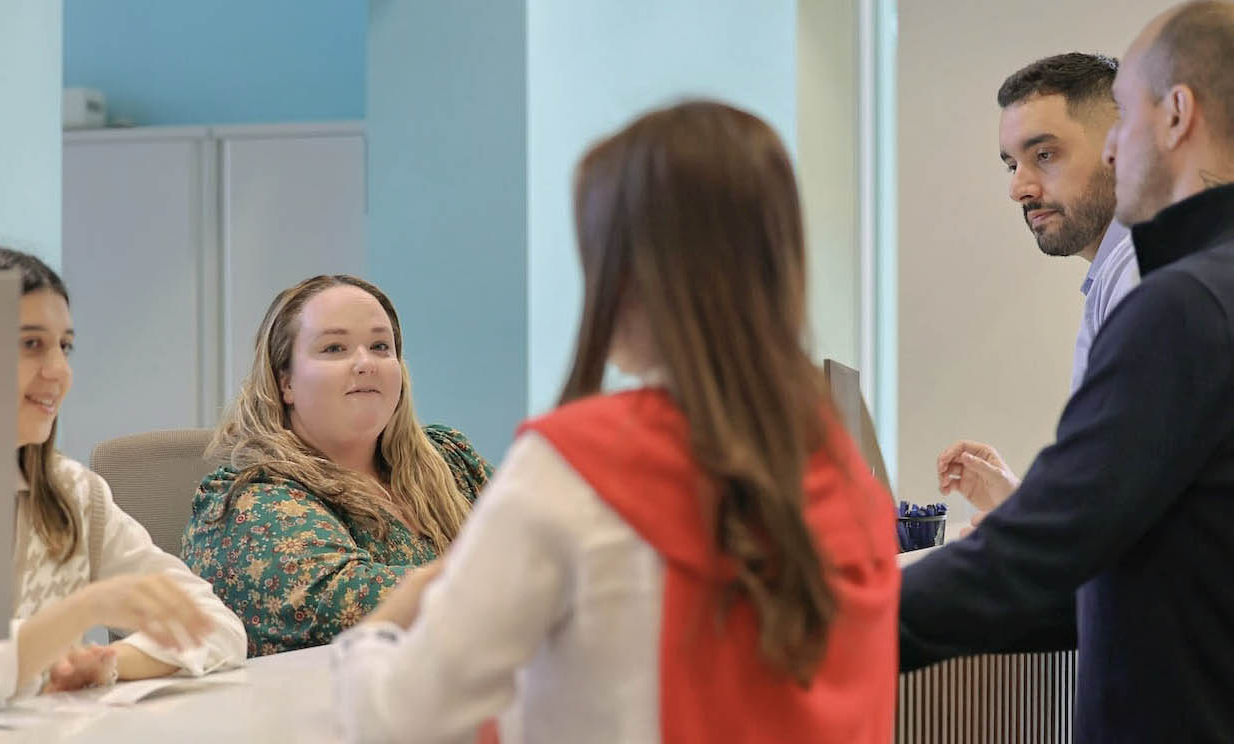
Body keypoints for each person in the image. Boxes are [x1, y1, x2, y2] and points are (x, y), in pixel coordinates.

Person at [329, 101, 900, 743]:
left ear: (624, 273)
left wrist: (375, 634)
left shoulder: (576, 466)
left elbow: (401, 722)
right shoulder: (844, 472)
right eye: (333, 348)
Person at [900, 3, 1234, 742]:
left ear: (1177, 113)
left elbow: (1052, 554)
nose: (1116, 147)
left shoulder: (1182, 302)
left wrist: (824, 623)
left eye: (1122, 115)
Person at [0, 246, 245, 712]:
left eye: (64, 346)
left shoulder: (72, 492)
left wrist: (109, 661)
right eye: (31, 344)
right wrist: (84, 611)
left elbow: (216, 626)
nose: (59, 372)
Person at [181, 275, 492, 657]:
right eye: (334, 348)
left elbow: (543, 543)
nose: (365, 363)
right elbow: (353, 605)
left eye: (381, 346)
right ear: (286, 383)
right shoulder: (248, 504)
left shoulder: (450, 461)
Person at [937, 53, 1141, 523]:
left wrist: (1012, 540)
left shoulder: (1142, 275)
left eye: (1044, 155)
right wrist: (1016, 506)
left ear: (1121, 148)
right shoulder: (1116, 273)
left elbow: (1124, 519)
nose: (1019, 189)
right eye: (1013, 164)